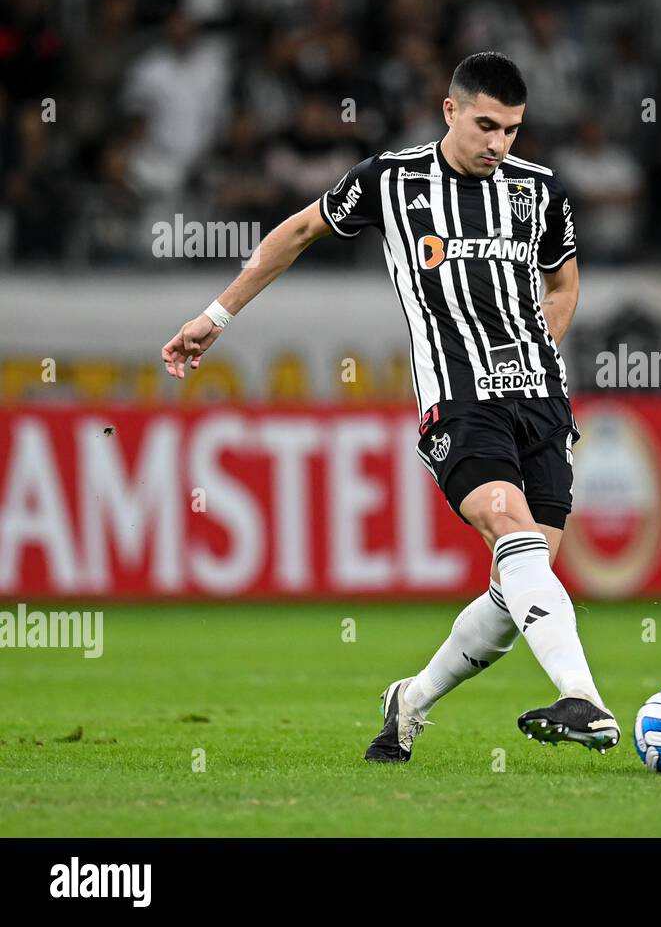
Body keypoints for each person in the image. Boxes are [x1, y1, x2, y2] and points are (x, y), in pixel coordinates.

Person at [160, 52, 619, 761]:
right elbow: (299, 231)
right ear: (450, 111)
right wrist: (214, 317)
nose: (499, 145)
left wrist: (541, 344)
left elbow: (563, 282)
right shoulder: (391, 180)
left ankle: (409, 701)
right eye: (487, 126)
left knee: (519, 589)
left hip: (541, 402)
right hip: (459, 402)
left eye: (514, 131)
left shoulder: (539, 191)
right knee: (506, 523)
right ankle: (585, 699)